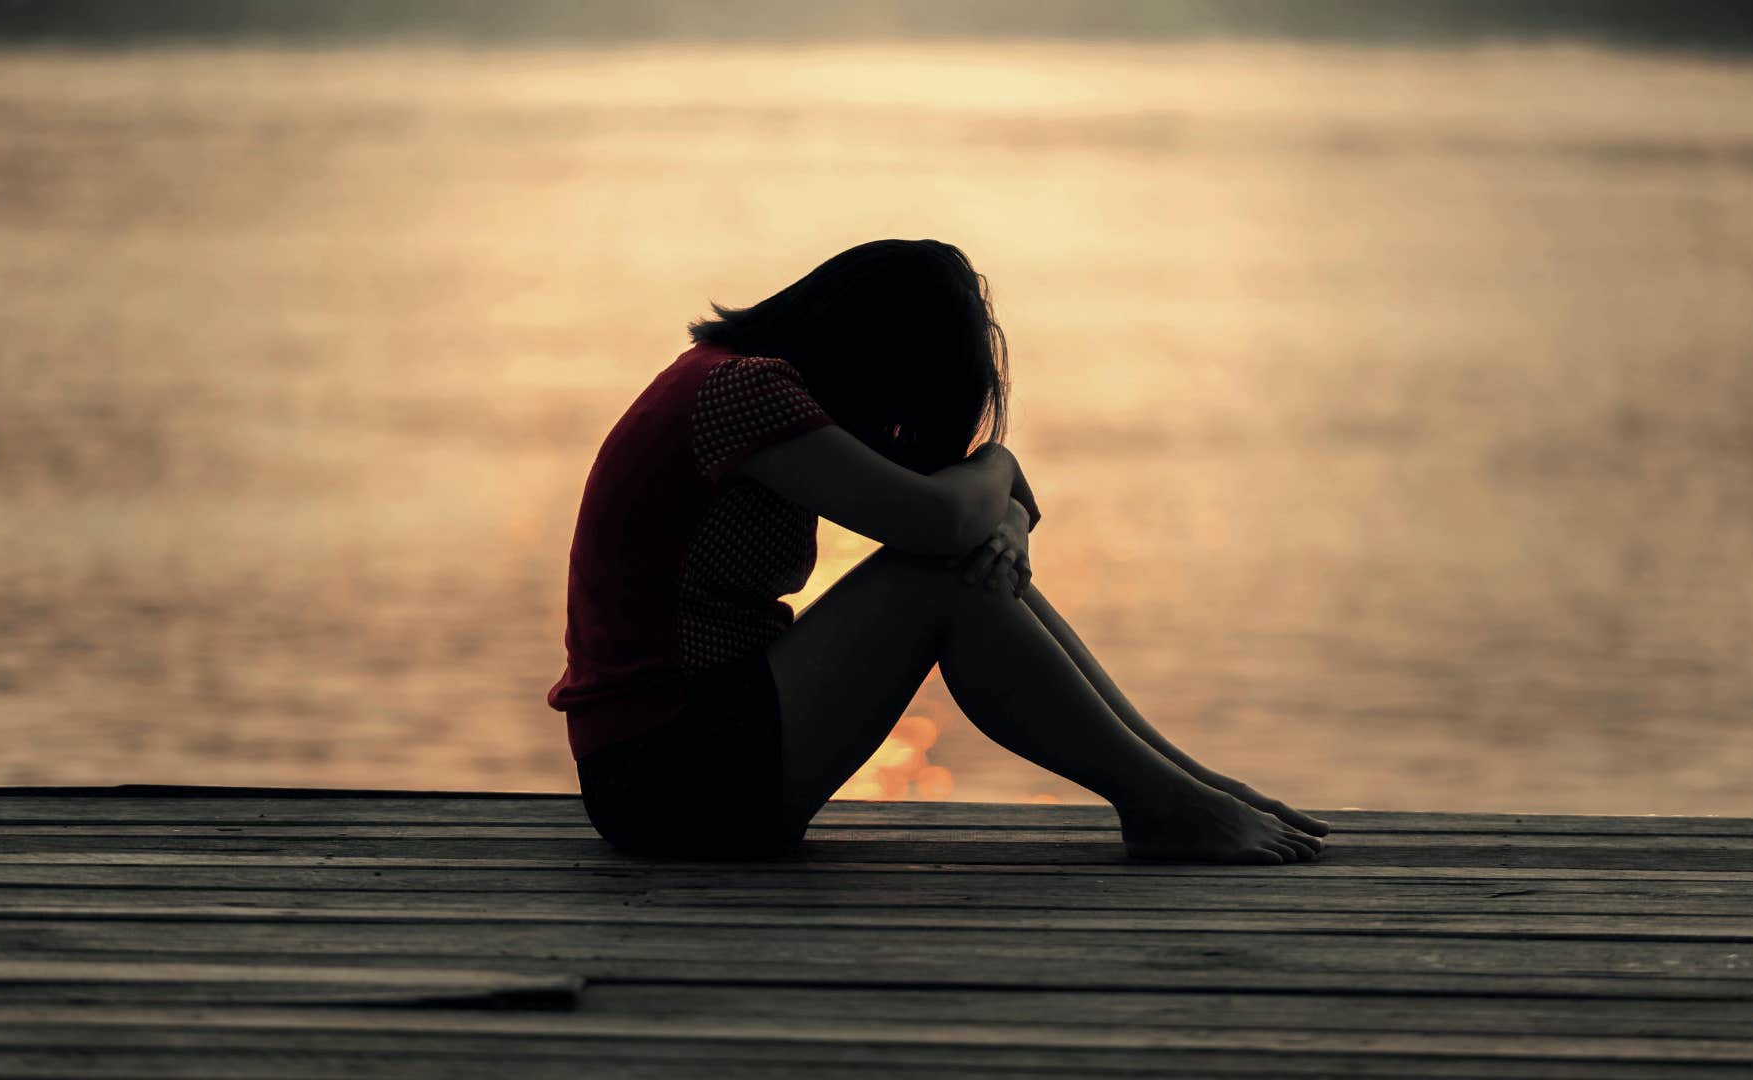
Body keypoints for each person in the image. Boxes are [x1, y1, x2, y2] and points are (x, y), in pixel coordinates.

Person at [548, 239, 1329, 862]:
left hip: (690, 760)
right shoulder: (742, 392)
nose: (897, 427)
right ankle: (1168, 805)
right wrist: (1000, 464)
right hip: (667, 777)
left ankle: (1184, 787)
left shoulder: (738, 386)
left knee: (959, 567)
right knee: (941, 577)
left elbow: (967, 518)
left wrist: (1007, 519)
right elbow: (942, 519)